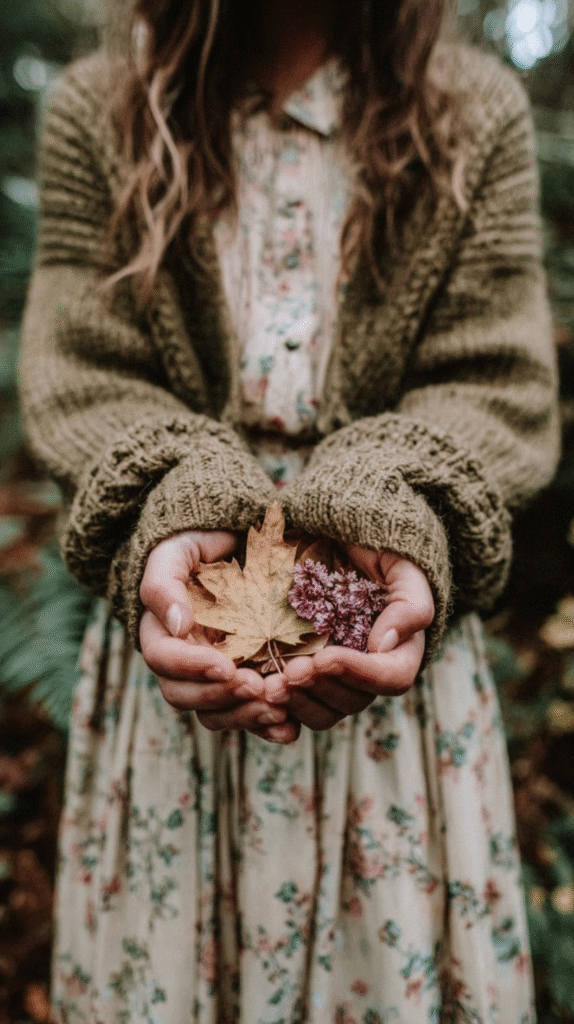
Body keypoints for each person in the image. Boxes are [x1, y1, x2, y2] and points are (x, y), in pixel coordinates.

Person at [19, 0, 559, 1019]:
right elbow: (84, 375)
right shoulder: (103, 111)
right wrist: (175, 506)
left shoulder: (471, 113)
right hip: (179, 649)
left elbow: (495, 382)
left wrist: (383, 497)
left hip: (395, 688)